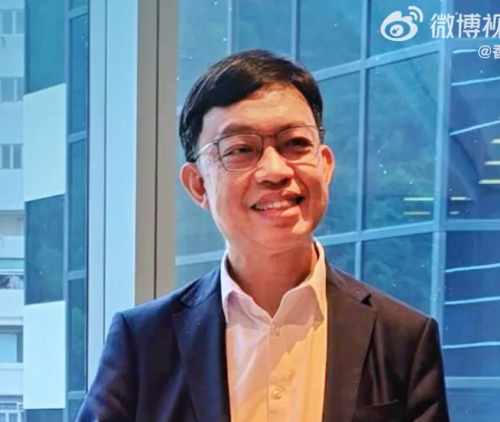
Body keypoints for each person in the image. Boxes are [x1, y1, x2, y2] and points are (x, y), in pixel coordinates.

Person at [75, 49, 450, 422]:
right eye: (240, 149)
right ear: (198, 185)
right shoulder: (143, 342)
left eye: (295, 144)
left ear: (325, 165)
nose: (275, 170)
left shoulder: (403, 338)